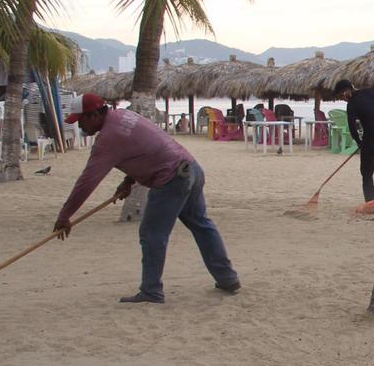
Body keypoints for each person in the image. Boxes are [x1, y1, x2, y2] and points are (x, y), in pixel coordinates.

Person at [53, 93, 240, 304]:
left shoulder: (107, 138)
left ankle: (151, 291)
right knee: (202, 225)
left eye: (81, 121)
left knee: (152, 233)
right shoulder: (123, 115)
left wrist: (64, 216)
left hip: (172, 178)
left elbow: (87, 182)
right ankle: (228, 279)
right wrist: (129, 180)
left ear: (94, 115)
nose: (81, 127)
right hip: (191, 168)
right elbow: (146, 147)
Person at [333, 79, 374, 202]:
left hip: (370, 138)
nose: (342, 99)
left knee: (366, 173)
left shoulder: (351, 104)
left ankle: (370, 204)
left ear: (346, 91)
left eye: (341, 96)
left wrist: (359, 142)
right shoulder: (372, 90)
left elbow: (352, 128)